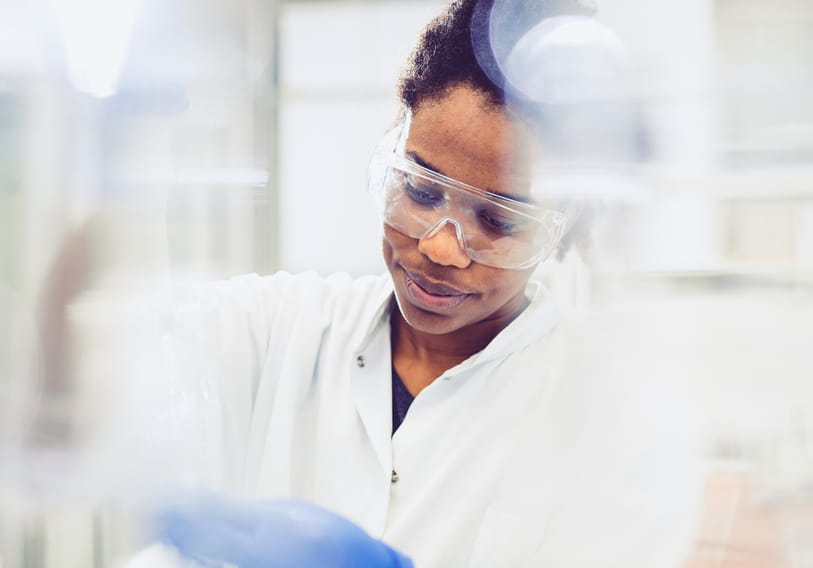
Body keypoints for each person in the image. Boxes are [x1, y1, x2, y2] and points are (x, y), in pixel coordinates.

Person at [141, 0, 702, 566]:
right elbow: (84, 372)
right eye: (421, 191)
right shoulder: (271, 329)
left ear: (562, 227)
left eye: (500, 220)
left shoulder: (618, 422)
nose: (439, 247)